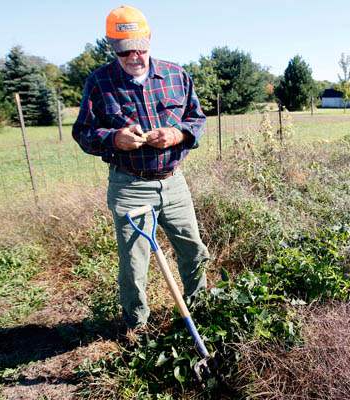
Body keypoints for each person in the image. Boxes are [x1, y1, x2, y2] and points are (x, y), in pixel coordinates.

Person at [72, 5, 209, 330]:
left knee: (193, 250)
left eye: (140, 48)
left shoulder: (176, 76)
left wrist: (177, 134)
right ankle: (137, 327)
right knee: (134, 263)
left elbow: (197, 118)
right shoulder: (100, 82)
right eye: (125, 51)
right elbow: (83, 132)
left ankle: (202, 313)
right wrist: (114, 139)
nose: (134, 56)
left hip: (174, 182)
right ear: (112, 47)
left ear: (149, 39)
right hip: (130, 186)